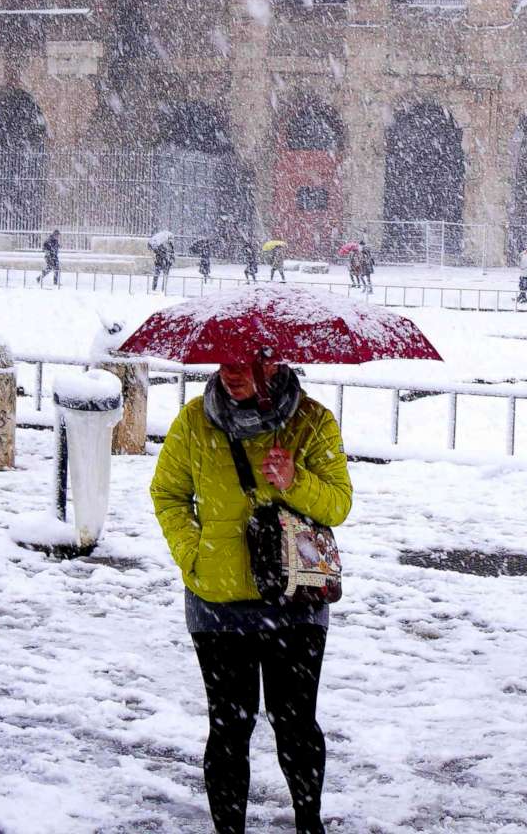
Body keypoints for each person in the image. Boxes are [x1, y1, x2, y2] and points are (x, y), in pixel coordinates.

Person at [149, 354, 352, 834]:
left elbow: (339, 503)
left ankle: (309, 823)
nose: (230, 372)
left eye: (245, 362)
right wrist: (193, 553)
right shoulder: (195, 422)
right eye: (225, 361)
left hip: (294, 601)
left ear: (275, 364)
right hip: (218, 605)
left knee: (296, 724)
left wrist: (295, 480)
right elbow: (167, 494)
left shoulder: (312, 421)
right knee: (229, 729)